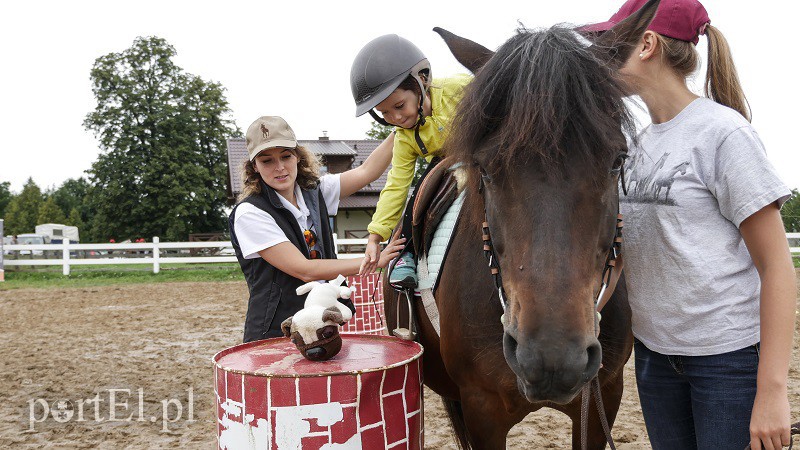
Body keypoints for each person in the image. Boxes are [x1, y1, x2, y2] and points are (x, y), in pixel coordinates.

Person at [584, 1, 796, 449]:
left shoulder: (724, 134)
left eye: (609, 46)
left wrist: (773, 392)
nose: (599, 61)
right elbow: (628, 252)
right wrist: (587, 314)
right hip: (655, 358)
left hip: (727, 362)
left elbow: (777, 265)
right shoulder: (636, 147)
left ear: (646, 44)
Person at [229, 116, 404, 343]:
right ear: (255, 166)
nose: (280, 167)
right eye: (267, 161)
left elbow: (367, 171)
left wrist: (401, 126)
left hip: (322, 323)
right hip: (278, 329)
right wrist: (371, 262)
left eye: (285, 156)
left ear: (297, 157)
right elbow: (304, 269)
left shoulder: (316, 191)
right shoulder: (250, 213)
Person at [350, 34, 471, 288]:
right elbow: (396, 186)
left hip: (482, 151)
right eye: (384, 113)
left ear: (422, 81)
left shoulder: (461, 88)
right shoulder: (404, 138)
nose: (395, 118)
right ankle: (408, 255)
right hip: (443, 162)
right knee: (417, 196)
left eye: (399, 105)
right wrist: (374, 237)